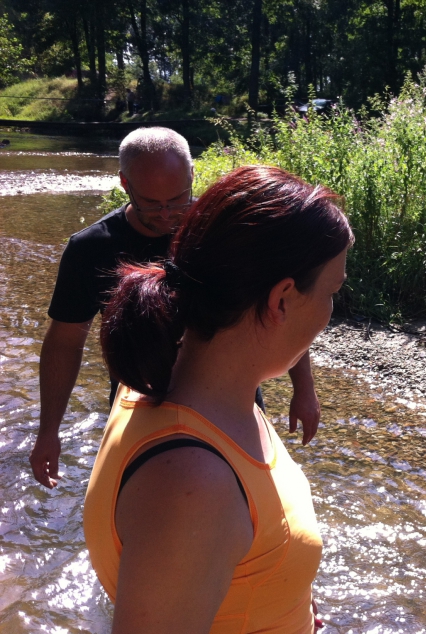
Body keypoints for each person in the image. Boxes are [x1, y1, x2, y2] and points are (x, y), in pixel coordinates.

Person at [84, 164, 353, 632]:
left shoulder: (168, 377)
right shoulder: (193, 485)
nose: (331, 313)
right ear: (283, 298)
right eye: (333, 292)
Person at [31, 127, 320, 489]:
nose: (167, 213)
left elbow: (278, 306)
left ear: (192, 176)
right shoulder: (91, 249)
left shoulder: (223, 232)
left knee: (248, 505)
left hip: (233, 402)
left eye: (178, 198)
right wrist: (49, 431)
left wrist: (304, 389)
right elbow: (64, 342)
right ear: (124, 183)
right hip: (140, 406)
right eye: (151, 202)